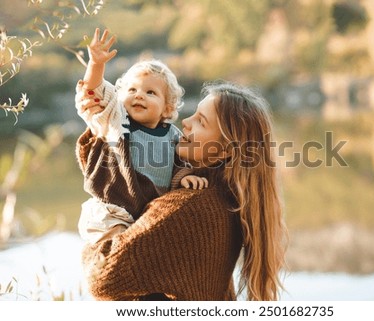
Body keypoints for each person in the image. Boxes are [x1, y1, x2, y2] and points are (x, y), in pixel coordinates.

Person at [78, 79, 288, 301]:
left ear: (225, 151)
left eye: (201, 121)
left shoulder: (187, 207)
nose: (186, 122)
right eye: (194, 114)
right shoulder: (227, 199)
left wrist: (95, 242)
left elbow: (101, 277)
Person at [75, 29, 206, 243]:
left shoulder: (173, 135)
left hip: (144, 215)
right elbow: (94, 92)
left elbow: (182, 163)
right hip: (110, 212)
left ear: (167, 108)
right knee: (118, 253)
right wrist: (96, 65)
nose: (139, 95)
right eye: (132, 89)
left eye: (150, 92)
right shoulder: (116, 121)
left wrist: (186, 178)